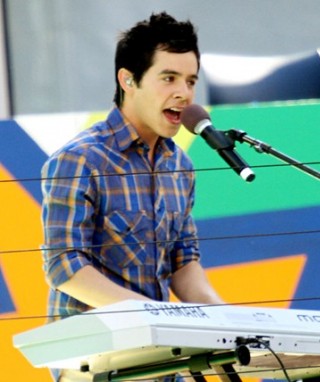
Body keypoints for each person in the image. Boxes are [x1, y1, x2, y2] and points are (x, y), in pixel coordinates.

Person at [41, 11, 224, 381]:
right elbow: (63, 266)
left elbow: (183, 264)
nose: (183, 94)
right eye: (168, 78)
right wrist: (154, 316)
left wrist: (226, 320)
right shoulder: (80, 159)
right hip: (94, 361)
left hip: (159, 357)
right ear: (128, 80)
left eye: (190, 81)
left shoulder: (181, 166)